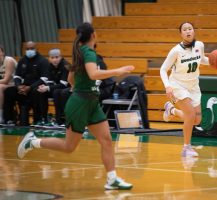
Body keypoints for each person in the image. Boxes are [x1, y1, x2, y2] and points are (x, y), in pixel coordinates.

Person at [17, 22, 134, 190]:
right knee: (68, 147)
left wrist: (85, 84)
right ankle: (33, 142)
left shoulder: (80, 53)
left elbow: (71, 79)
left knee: (107, 140)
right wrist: (118, 71)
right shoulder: (88, 53)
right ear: (93, 35)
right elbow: (93, 74)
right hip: (80, 104)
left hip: (91, 103)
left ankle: (112, 178)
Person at [160, 22, 209, 157]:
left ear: (194, 31)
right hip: (178, 85)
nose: (188, 31)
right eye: (185, 29)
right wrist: (167, 86)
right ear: (181, 34)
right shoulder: (176, 51)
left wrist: (213, 61)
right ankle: (186, 147)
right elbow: (163, 69)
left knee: (196, 120)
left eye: (190, 29)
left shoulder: (200, 45)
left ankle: (172, 110)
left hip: (193, 86)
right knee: (191, 115)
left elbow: (202, 59)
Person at [3, 41, 50, 126]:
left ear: (37, 49)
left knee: (38, 91)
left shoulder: (43, 61)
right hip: (23, 89)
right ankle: (9, 119)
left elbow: (44, 79)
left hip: (35, 87)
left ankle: (38, 120)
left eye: (32, 48)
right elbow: (17, 76)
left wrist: (30, 87)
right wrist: (18, 86)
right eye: (27, 49)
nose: (29, 50)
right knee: (9, 91)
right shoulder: (22, 60)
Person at [33, 48, 70, 125]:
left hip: (67, 89)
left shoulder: (65, 65)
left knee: (56, 92)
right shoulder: (50, 66)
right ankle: (44, 118)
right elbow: (50, 81)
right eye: (52, 58)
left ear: (61, 57)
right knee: (40, 91)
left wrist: (48, 88)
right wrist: (44, 87)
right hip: (56, 87)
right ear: (49, 58)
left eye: (57, 57)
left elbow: (63, 84)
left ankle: (59, 119)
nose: (54, 60)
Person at [0, 44, 17, 123]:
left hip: (15, 84)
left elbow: (6, 80)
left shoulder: (9, 60)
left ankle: (1, 116)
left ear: (3, 52)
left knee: (0, 87)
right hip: (5, 85)